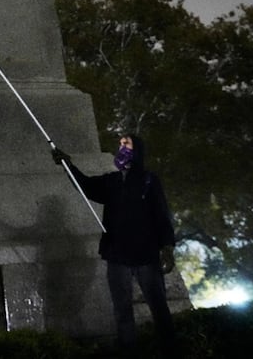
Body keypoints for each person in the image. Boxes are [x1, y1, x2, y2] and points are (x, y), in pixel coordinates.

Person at [52, 134, 177, 357]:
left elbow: (161, 215)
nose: (122, 147)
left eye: (126, 144)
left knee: (159, 308)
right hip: (117, 256)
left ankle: (170, 351)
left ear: (137, 149)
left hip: (146, 256)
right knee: (122, 311)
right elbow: (87, 187)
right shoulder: (111, 181)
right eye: (120, 144)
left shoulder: (149, 180)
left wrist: (167, 247)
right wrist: (68, 165)